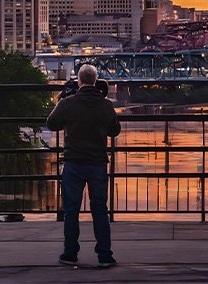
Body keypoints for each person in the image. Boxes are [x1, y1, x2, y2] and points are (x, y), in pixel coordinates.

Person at [47, 64, 121, 267]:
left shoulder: (68, 103)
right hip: (97, 163)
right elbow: (115, 131)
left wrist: (62, 98)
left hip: (73, 162)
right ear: (96, 82)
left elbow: (52, 123)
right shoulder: (106, 105)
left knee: (71, 210)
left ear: (79, 81)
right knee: (100, 210)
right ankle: (105, 255)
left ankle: (70, 253)